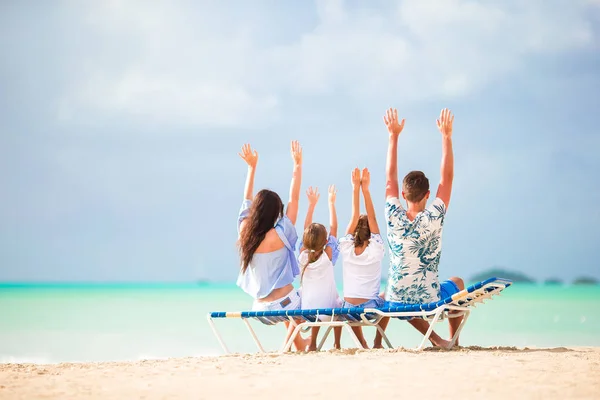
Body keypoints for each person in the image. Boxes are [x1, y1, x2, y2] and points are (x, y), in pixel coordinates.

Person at [373, 108, 465, 349]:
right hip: (429, 298)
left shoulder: (392, 214)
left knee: (393, 292)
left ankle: (430, 340)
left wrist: (393, 136)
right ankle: (453, 340)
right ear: (428, 194)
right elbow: (447, 178)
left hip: (395, 299)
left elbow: (389, 177)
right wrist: (446, 137)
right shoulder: (435, 215)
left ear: (403, 195)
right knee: (458, 282)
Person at [236, 141, 309, 351]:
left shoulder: (245, 233)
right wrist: (297, 165)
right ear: (276, 212)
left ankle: (299, 344)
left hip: (260, 310)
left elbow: (246, 200)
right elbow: (294, 199)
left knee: (287, 300)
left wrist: (251, 167)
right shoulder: (280, 233)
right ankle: (286, 347)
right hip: (286, 306)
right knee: (309, 295)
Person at [338, 167, 386, 349]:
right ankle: (377, 341)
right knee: (390, 292)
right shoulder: (376, 249)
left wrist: (355, 189)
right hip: (370, 308)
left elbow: (353, 217)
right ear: (371, 233)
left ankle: (361, 342)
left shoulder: (346, 248)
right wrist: (366, 190)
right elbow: (372, 218)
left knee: (349, 303)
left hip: (349, 309)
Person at [298, 185, 343, 351]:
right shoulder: (328, 255)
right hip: (329, 313)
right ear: (326, 242)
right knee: (339, 305)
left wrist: (311, 205)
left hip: (307, 313)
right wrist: (331, 203)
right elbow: (334, 229)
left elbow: (305, 229)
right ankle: (337, 343)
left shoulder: (302, 256)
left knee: (314, 302)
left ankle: (313, 343)